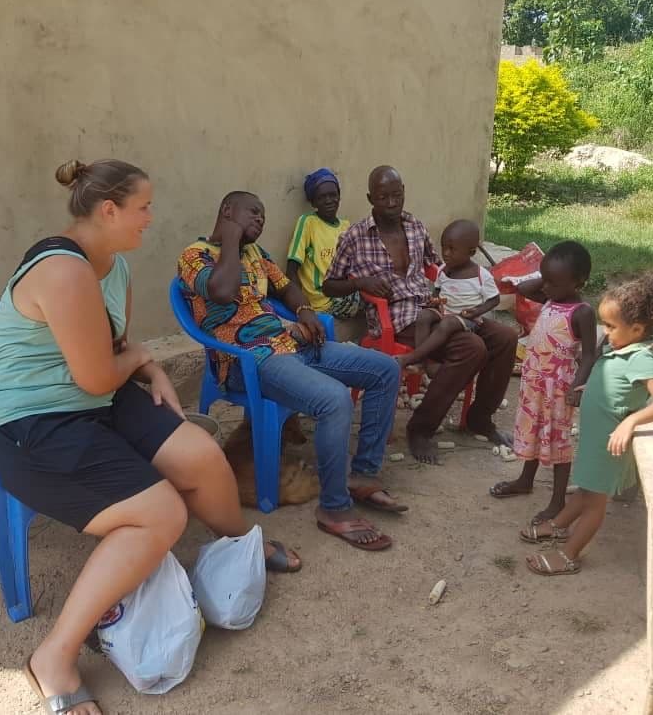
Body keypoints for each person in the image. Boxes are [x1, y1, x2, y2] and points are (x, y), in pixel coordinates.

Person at [0, 160, 300, 715]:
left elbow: (112, 348)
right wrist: (144, 359)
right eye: (143, 207)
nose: (151, 217)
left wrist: (150, 369)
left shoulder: (111, 265)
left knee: (200, 455)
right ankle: (53, 658)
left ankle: (241, 544)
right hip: (30, 420)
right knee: (162, 515)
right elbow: (99, 372)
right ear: (108, 210)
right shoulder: (63, 270)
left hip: (90, 398)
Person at [177, 190, 405, 552]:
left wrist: (304, 312)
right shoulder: (195, 256)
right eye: (253, 212)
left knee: (385, 369)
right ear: (227, 210)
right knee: (334, 400)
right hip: (250, 361)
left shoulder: (256, 254)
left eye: (263, 216)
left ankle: (362, 474)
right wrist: (233, 237)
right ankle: (334, 509)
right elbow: (221, 290)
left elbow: (286, 288)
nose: (260, 220)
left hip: (294, 345)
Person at [323, 166, 519, 465]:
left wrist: (468, 284)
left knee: (506, 336)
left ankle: (480, 418)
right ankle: (420, 429)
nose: (391, 203)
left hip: (436, 309)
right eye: (383, 197)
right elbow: (329, 286)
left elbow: (436, 265)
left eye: (397, 195)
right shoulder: (354, 236)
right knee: (471, 347)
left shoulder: (414, 225)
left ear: (404, 192)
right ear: (370, 198)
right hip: (397, 318)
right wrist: (360, 282)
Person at [521, 275, 653, 576]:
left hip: (610, 443)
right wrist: (590, 390)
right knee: (586, 490)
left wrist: (630, 422)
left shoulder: (641, 357)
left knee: (595, 503)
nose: (605, 332)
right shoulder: (621, 347)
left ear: (638, 329)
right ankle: (558, 525)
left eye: (611, 326)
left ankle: (568, 555)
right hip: (596, 438)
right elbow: (615, 382)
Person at [489, 241, 597, 525]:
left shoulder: (581, 312)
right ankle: (525, 480)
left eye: (554, 282)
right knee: (532, 432)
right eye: (545, 279)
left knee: (558, 442)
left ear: (578, 282)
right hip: (534, 384)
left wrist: (578, 386)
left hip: (558, 389)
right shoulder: (551, 296)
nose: (546, 287)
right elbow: (523, 289)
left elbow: (589, 355)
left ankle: (558, 500)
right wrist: (547, 277)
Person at [396, 219, 501, 376]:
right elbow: (438, 290)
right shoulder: (443, 270)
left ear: (471, 252)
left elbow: (495, 299)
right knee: (423, 315)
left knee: (447, 323)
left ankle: (413, 357)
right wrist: (434, 300)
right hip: (445, 311)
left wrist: (477, 311)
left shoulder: (481, 276)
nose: (445, 253)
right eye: (444, 247)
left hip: (468, 318)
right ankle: (424, 361)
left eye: (452, 249)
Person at [285, 168, 362, 319]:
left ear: (339, 196)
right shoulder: (308, 222)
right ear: (313, 202)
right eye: (322, 197)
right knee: (372, 293)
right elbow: (292, 268)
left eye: (333, 195)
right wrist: (303, 306)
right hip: (322, 300)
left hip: (343, 292)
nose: (328, 201)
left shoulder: (345, 226)